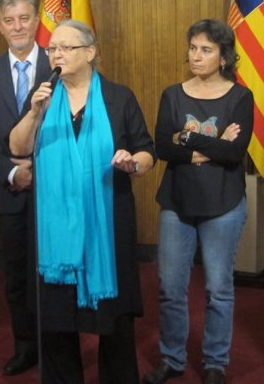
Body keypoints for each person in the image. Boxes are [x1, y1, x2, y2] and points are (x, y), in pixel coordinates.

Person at [9, 19, 156, 384]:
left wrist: (132, 164)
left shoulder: (118, 97)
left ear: (90, 52)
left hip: (106, 222)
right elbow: (17, 148)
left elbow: (146, 151)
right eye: (52, 49)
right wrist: (33, 113)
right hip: (53, 227)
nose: (56, 54)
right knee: (56, 321)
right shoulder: (43, 96)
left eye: (65, 47)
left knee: (114, 321)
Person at [143, 19, 253, 384]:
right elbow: (162, 147)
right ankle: (172, 359)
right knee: (170, 286)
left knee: (218, 288)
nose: (196, 55)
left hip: (223, 203)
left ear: (224, 57)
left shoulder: (240, 97)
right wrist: (211, 145)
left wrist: (186, 139)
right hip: (178, 203)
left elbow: (235, 152)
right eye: (193, 48)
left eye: (206, 50)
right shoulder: (173, 94)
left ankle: (214, 362)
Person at [0, 0, 52, 376]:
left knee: (53, 269)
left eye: (24, 18)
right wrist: (11, 171)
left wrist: (38, 171)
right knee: (16, 274)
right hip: (8, 190)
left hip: (53, 188)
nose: (18, 26)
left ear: (37, 20)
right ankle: (25, 346)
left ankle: (56, 344)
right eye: (9, 20)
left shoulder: (59, 64)